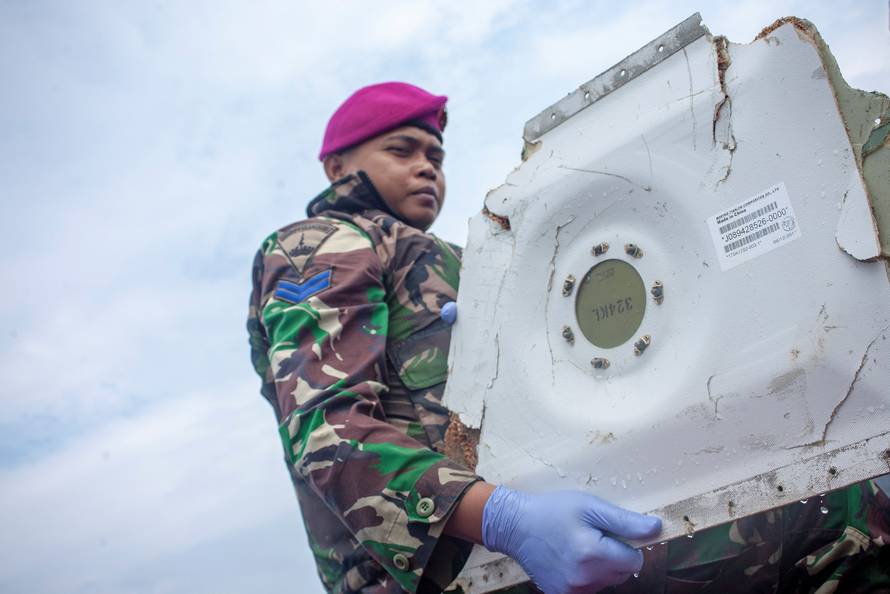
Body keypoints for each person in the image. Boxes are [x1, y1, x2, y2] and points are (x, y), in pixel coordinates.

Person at [246, 81, 662, 594]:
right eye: (401, 150)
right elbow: (329, 433)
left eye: (436, 157)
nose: (427, 168)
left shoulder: (456, 255)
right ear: (335, 166)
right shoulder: (320, 245)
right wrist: (505, 519)